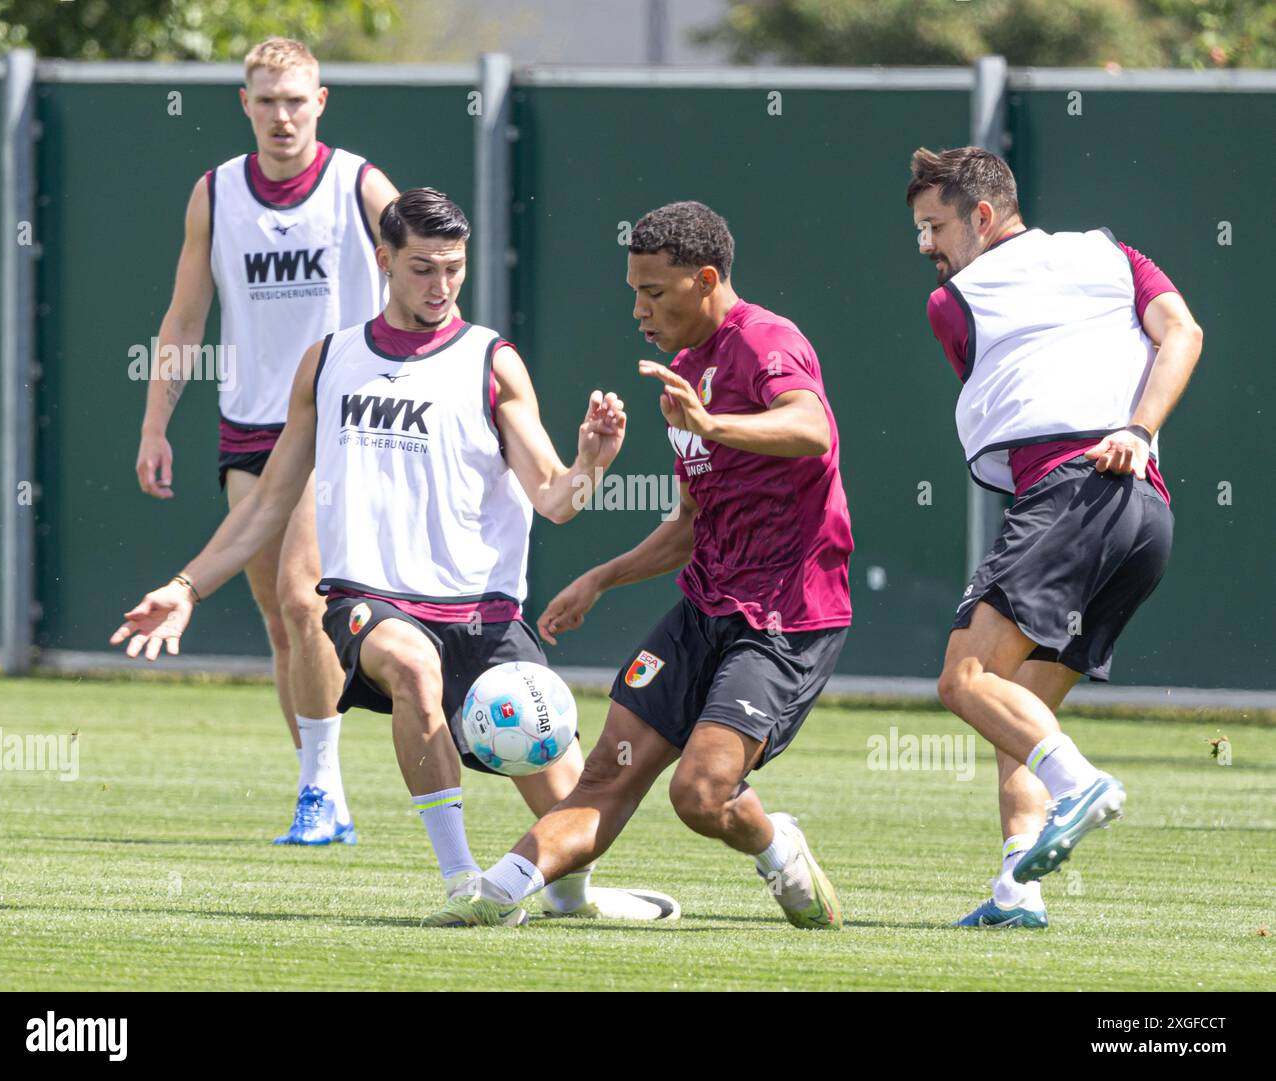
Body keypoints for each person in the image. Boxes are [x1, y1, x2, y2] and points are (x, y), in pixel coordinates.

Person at [113, 188, 677, 922]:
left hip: (484, 610)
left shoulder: (491, 361)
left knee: (576, 806)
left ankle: (572, 897)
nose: (440, 286)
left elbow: (554, 497)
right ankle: (463, 882)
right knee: (413, 666)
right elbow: (269, 504)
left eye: (453, 269)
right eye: (422, 269)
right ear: (382, 261)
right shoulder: (330, 360)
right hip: (368, 600)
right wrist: (188, 586)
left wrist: (592, 462)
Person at [424, 200, 855, 930]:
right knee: (605, 774)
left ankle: (779, 847)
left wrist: (713, 423)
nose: (637, 309)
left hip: (786, 615)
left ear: (706, 279)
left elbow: (812, 428)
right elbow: (689, 525)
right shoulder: (682, 373)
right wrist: (601, 577)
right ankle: (492, 895)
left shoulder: (764, 341)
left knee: (701, 793)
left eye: (653, 292)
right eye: (633, 290)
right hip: (703, 608)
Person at [907, 146, 1203, 927]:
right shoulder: (1115, 256)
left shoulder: (952, 303)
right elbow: (1184, 334)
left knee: (964, 680)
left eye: (934, 226)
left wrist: (1118, 433)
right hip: (1145, 515)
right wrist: (1139, 428)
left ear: (980, 215)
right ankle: (1018, 888)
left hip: (1068, 496)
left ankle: (1085, 786)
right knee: (1021, 708)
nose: (926, 246)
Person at [134, 38, 402, 844]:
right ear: (244, 104)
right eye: (267, 100)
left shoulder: (359, 184)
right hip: (249, 423)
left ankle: (320, 794)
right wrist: (155, 423)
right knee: (276, 618)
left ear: (321, 102)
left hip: (335, 421)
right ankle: (321, 788)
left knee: (302, 597)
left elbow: (428, 275)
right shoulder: (215, 194)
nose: (282, 115)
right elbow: (185, 319)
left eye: (297, 99)